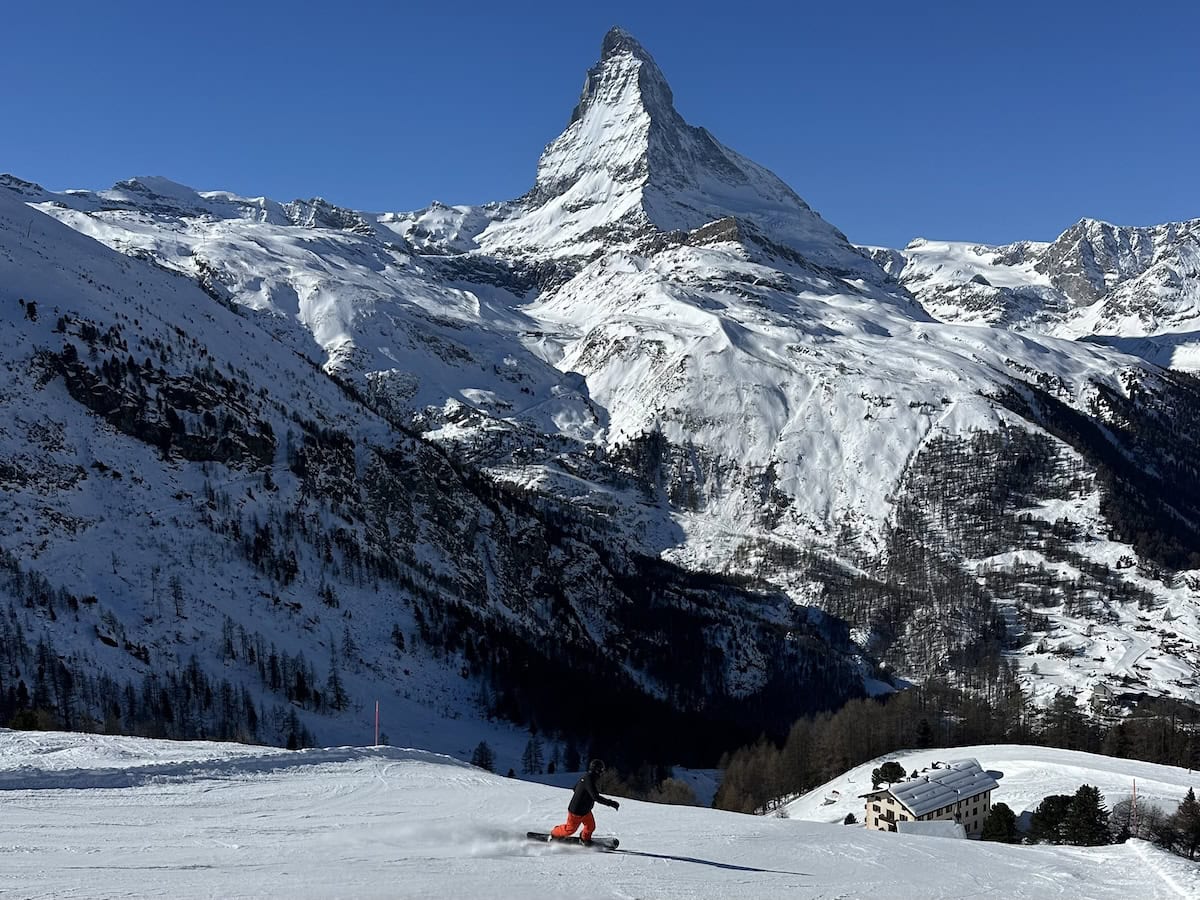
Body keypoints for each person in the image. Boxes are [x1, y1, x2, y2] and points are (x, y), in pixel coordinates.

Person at [551, 759, 619, 843]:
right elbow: (595, 797)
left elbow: (575, 788)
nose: (602, 773)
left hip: (585, 810)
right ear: (596, 770)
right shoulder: (589, 779)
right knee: (570, 830)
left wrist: (584, 797)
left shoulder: (587, 778)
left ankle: (585, 839)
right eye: (601, 770)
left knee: (591, 826)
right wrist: (611, 803)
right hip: (576, 811)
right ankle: (555, 833)